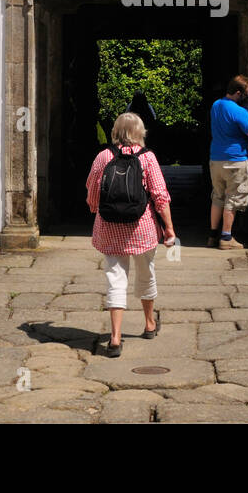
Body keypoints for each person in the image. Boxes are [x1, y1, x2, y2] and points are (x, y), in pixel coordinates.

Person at [85, 111, 177, 357]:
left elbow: (92, 190)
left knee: (115, 278)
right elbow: (160, 195)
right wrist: (169, 228)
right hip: (142, 228)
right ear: (140, 132)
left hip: (109, 228)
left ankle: (115, 338)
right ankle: (149, 324)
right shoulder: (147, 157)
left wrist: (96, 210)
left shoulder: (103, 156)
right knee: (146, 273)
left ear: (116, 131)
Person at [208, 75, 248, 249]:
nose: (246, 97)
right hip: (235, 161)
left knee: (218, 197)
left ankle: (212, 236)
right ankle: (226, 238)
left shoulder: (216, 105)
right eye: (246, 94)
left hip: (216, 159)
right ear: (238, 93)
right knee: (233, 199)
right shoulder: (240, 112)